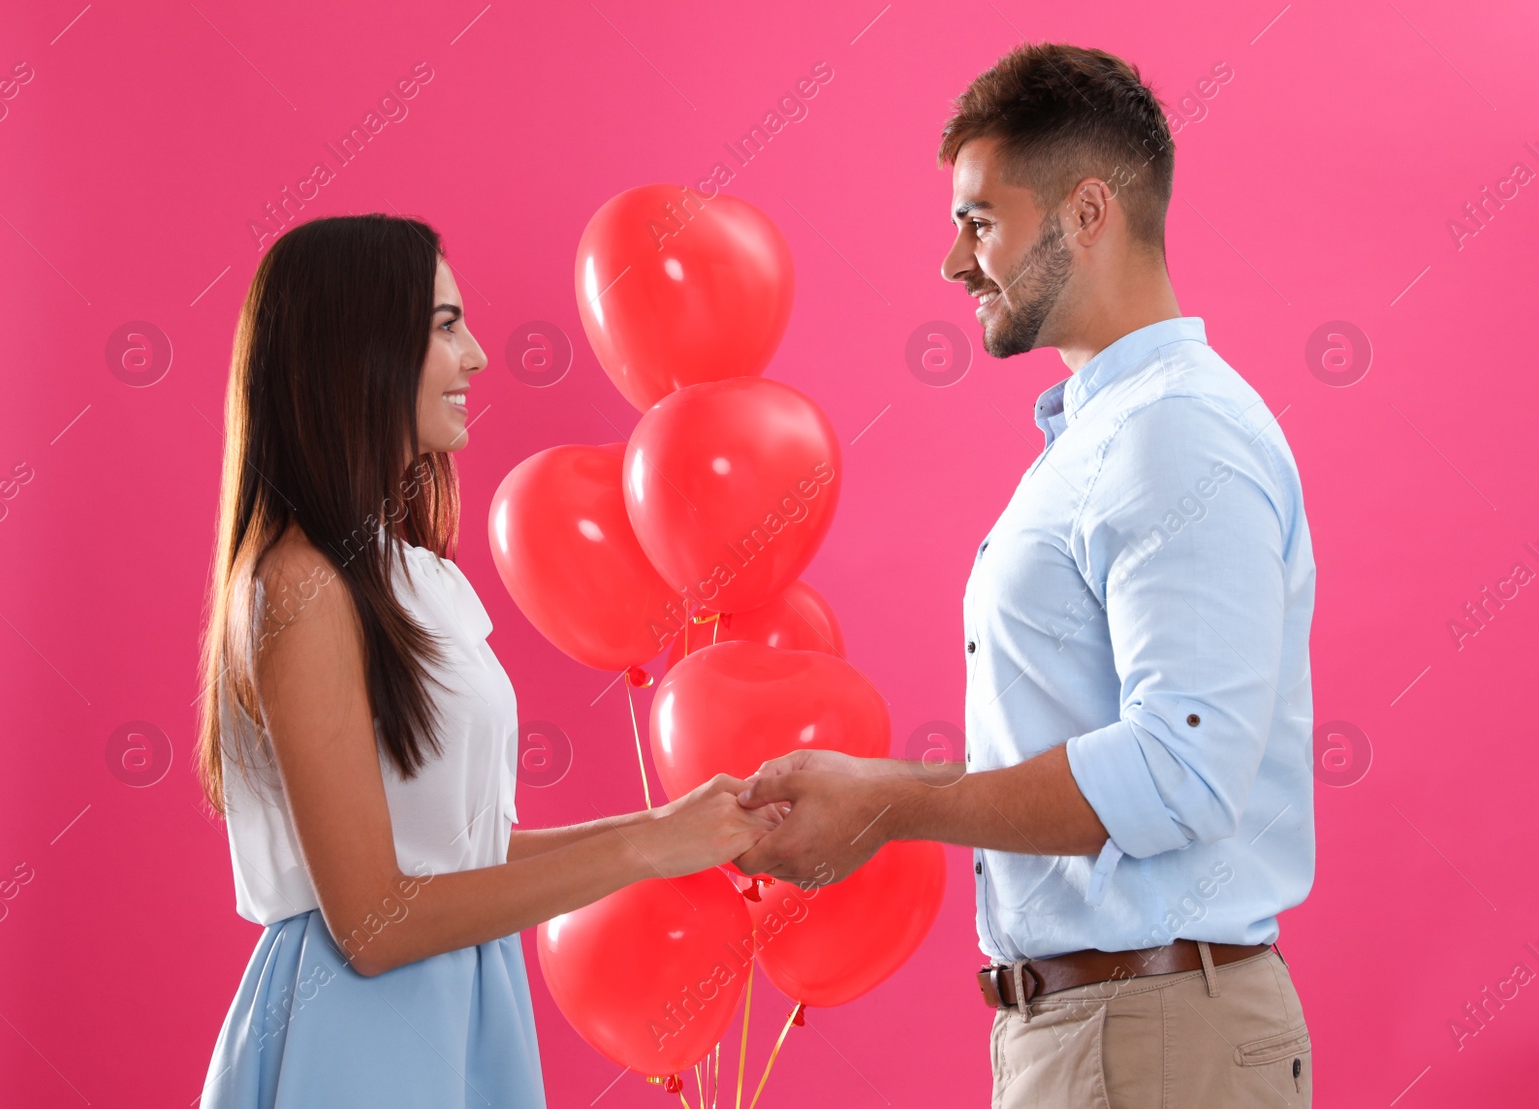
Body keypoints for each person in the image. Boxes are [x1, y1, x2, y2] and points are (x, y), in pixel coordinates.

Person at [736, 43, 1316, 1108]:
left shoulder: (1173, 435)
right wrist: (876, 790)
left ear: (1086, 212)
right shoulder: (1105, 436)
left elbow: (1177, 772)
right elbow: (1103, 755)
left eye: (979, 220)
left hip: (1150, 1042)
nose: (954, 263)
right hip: (1108, 1033)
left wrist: (888, 807)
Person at [193, 214, 778, 1107]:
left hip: (456, 1010)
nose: (475, 357)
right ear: (357, 349)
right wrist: (648, 846)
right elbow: (375, 923)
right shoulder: (300, 587)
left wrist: (672, 828)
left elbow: (456, 848)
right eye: (443, 325)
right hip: (354, 1038)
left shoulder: (398, 575)